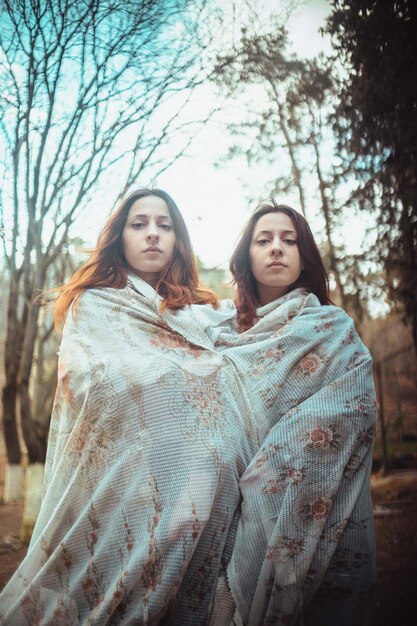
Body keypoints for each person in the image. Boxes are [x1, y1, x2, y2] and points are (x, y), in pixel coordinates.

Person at [0, 188, 256, 625]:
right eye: (139, 225)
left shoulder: (203, 312)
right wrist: (170, 372)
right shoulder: (95, 305)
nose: (153, 234)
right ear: (120, 236)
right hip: (122, 488)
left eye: (164, 225)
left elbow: (242, 366)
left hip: (202, 491)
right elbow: (91, 380)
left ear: (178, 239)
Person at [212, 201, 377, 626]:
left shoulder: (332, 329)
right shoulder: (221, 333)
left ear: (304, 256)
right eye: (263, 240)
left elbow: (355, 409)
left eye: (289, 240)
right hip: (225, 498)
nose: (276, 249)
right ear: (246, 256)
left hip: (301, 496)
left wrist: (274, 460)